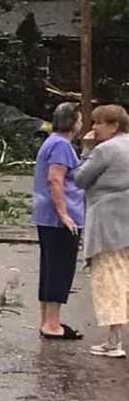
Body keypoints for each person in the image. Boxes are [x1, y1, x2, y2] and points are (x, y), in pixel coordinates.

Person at [74, 104, 129, 358]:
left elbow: (80, 179)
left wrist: (86, 149)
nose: (94, 128)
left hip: (108, 222)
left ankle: (114, 341)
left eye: (99, 123)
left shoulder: (105, 150)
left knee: (110, 280)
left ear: (114, 125)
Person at [32, 102, 84, 340]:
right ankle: (53, 324)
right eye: (80, 119)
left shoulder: (51, 142)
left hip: (46, 214)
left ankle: (47, 320)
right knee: (60, 268)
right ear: (73, 122)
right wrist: (64, 214)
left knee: (50, 266)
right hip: (59, 216)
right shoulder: (62, 145)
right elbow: (56, 179)